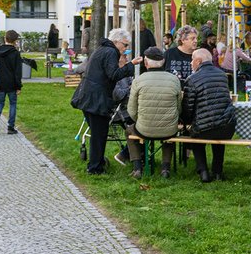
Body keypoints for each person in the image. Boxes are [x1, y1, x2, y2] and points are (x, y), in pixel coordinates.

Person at [71, 28, 134, 174]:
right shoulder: (111, 52)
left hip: (88, 97)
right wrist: (131, 65)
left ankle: (97, 163)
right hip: (97, 99)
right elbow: (113, 74)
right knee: (99, 135)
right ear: (116, 41)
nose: (126, 49)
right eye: (125, 45)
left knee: (97, 134)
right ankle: (95, 168)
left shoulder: (101, 49)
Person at [125, 45, 182, 178]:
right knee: (169, 135)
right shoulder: (174, 80)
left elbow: (131, 110)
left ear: (145, 62)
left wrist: (141, 119)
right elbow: (179, 108)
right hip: (169, 129)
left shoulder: (138, 80)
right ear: (163, 61)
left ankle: (137, 168)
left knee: (129, 131)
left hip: (144, 128)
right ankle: (165, 169)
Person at [181, 47, 235, 182]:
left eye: (192, 59)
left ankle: (203, 171)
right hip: (226, 128)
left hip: (204, 130)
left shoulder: (192, 79)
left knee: (196, 136)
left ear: (198, 61)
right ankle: (217, 172)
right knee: (219, 129)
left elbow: (188, 107)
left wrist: (186, 122)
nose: (191, 62)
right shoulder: (222, 75)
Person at [0, 30, 24, 134]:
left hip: (0, 81)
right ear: (15, 41)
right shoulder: (16, 53)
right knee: (13, 104)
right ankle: (10, 127)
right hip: (12, 83)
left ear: (5, 38)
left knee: (0, 102)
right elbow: (18, 71)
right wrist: (19, 86)